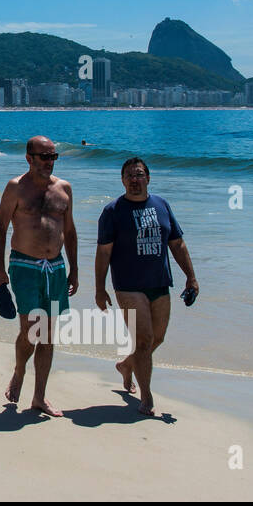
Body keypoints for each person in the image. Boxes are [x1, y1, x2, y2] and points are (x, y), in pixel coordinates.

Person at [94, 157, 200, 416]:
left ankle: (127, 365)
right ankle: (147, 396)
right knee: (144, 341)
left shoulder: (162, 205)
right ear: (122, 180)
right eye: (129, 175)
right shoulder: (112, 211)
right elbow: (103, 253)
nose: (134, 179)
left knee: (157, 338)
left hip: (160, 282)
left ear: (148, 178)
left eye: (139, 174)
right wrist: (100, 288)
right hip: (128, 286)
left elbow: (177, 244)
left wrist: (191, 277)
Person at [0, 136, 77, 417]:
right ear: (29, 158)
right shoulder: (16, 188)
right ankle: (18, 371)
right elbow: (1, 228)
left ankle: (39, 397)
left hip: (56, 267)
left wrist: (74, 268)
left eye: (53, 157)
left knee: (48, 334)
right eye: (44, 157)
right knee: (30, 330)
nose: (49, 162)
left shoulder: (64, 189)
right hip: (24, 265)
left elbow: (70, 231)